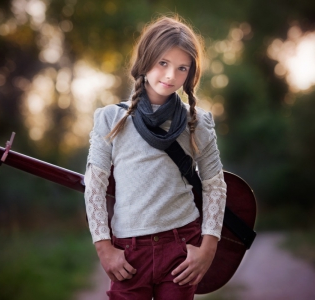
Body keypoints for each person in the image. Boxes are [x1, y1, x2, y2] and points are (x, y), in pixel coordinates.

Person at [84, 15, 227, 299]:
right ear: (145, 60)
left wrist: (208, 248)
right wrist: (104, 247)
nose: (171, 75)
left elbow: (215, 185)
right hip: (128, 252)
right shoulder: (111, 119)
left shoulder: (198, 123)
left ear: (191, 73)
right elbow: (94, 186)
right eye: (163, 63)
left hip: (181, 248)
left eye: (182, 68)